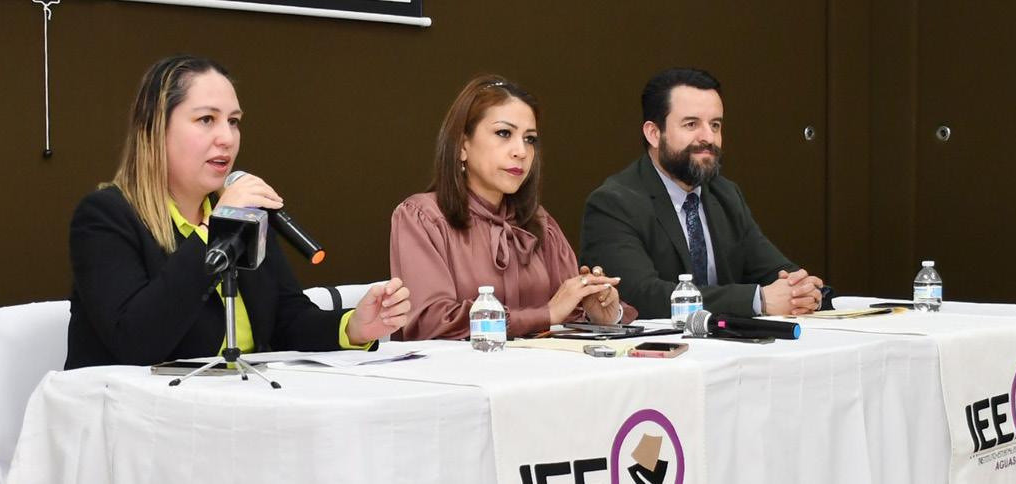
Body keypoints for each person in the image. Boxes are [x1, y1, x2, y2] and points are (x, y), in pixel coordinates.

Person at [64, 55, 410, 369]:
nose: (227, 138)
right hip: (140, 409)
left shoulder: (244, 213)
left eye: (233, 121)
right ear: (155, 128)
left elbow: (287, 320)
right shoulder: (105, 217)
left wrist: (352, 327)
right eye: (206, 119)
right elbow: (136, 342)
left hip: (237, 403)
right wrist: (216, 228)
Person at [390, 75, 636, 341]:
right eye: (504, 133)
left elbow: (568, 310)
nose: (521, 151)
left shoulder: (538, 221)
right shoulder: (422, 217)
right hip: (459, 368)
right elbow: (430, 322)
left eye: (530, 139)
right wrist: (545, 314)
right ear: (462, 146)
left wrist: (600, 313)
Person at [580, 67, 824, 319]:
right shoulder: (613, 203)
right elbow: (640, 296)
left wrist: (801, 289)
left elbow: (773, 268)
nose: (708, 137)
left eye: (715, 125)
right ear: (654, 133)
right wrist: (755, 301)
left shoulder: (725, 194)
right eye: (691, 124)